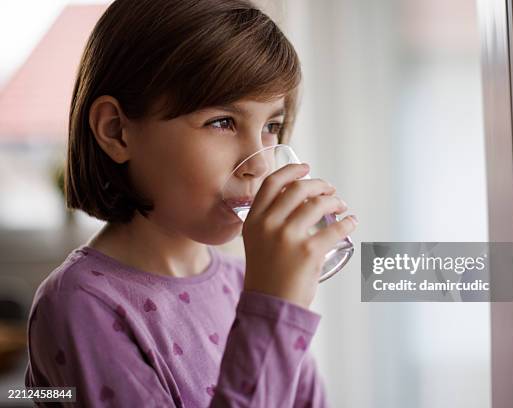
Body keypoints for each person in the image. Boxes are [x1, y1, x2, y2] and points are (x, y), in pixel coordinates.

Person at [23, 0, 358, 406]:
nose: (259, 164)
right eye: (222, 122)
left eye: (271, 126)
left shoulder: (244, 282)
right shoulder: (80, 305)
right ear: (117, 132)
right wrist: (274, 310)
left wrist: (275, 301)